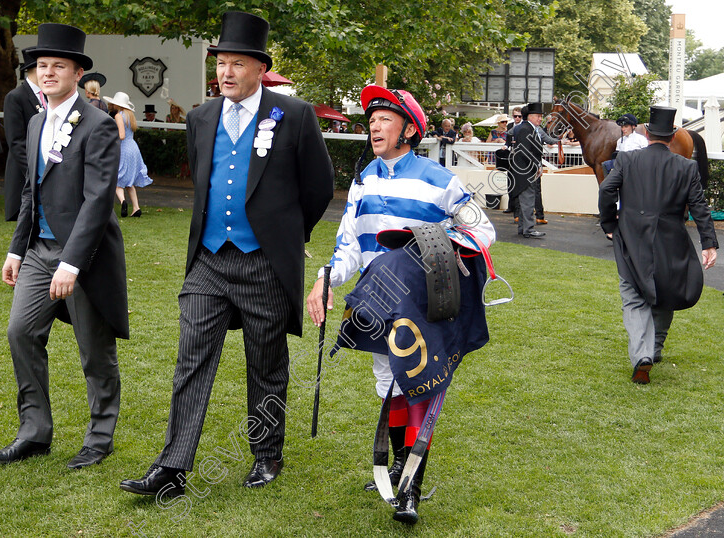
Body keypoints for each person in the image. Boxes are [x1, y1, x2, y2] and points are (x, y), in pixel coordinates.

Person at [120, 11, 334, 497]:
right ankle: (173, 467)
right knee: (190, 359)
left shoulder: (293, 115)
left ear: (260, 68)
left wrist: (286, 235)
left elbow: (319, 186)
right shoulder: (200, 117)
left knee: (266, 363)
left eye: (237, 63)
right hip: (210, 261)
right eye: (221, 63)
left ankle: (266, 454)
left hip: (265, 264)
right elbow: (204, 178)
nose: (226, 72)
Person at [306, 85, 495, 524]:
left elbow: (482, 231)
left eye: (385, 119)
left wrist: (438, 247)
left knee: (418, 387)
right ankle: (398, 465)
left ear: (409, 129)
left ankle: (409, 487)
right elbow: (348, 245)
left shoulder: (439, 179)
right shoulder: (363, 179)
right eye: (371, 120)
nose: (374, 125)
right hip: (377, 301)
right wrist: (325, 280)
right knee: (388, 385)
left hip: (424, 304)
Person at [0, 23, 128, 470]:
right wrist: (14, 249)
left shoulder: (99, 125)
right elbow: (31, 191)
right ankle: (34, 433)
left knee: (93, 349)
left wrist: (73, 262)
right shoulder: (32, 122)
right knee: (20, 333)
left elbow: (97, 200)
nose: (47, 73)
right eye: (41, 66)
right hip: (37, 250)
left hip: (84, 257)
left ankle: (99, 437)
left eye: (57, 66)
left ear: (77, 71)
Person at [598, 106, 718, 384]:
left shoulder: (627, 160)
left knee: (633, 296)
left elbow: (606, 190)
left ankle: (644, 353)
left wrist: (609, 224)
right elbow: (699, 206)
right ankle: (654, 349)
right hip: (670, 239)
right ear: (673, 134)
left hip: (631, 237)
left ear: (647, 133)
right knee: (665, 292)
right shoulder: (687, 166)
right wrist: (709, 243)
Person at [3, 47, 43, 221]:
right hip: (25, 174)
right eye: (43, 66)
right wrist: (34, 173)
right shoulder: (16, 97)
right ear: (34, 69)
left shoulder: (49, 96)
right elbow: (16, 142)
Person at [103, 91, 153, 217]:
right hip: (133, 147)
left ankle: (123, 201)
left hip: (124, 147)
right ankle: (136, 208)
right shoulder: (130, 115)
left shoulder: (119, 116)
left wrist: (109, 138)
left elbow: (121, 135)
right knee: (130, 181)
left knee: (117, 178)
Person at [508, 102, 548, 238]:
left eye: (541, 116)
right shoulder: (526, 129)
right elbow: (526, 151)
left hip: (523, 170)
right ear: (530, 116)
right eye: (538, 116)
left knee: (524, 200)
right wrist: (537, 165)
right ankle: (529, 229)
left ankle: (523, 228)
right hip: (525, 171)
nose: (540, 119)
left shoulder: (524, 128)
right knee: (528, 201)